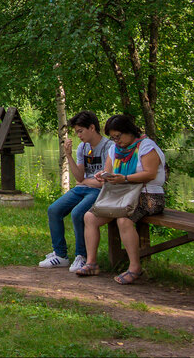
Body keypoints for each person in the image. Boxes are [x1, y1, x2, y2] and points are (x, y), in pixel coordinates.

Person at [74, 113, 167, 284]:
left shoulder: (146, 146)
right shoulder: (114, 149)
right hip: (120, 195)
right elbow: (109, 170)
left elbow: (150, 173)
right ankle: (91, 263)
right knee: (90, 217)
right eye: (113, 138)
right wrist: (104, 176)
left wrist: (124, 178)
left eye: (118, 136)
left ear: (129, 131)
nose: (116, 141)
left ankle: (134, 267)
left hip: (149, 195)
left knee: (124, 220)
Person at [38, 111, 111, 271]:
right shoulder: (83, 148)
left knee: (78, 213)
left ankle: (82, 256)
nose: (78, 135)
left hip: (99, 191)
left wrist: (85, 181)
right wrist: (68, 155)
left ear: (92, 128)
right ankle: (60, 255)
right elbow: (78, 176)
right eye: (77, 132)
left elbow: (104, 181)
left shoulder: (108, 147)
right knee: (54, 210)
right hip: (82, 188)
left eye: (80, 131)